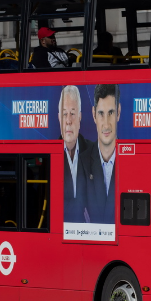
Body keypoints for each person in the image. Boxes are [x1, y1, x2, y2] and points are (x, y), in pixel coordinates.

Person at [79, 84, 120, 224]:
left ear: (119, 112)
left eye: (111, 113)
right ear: (93, 114)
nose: (106, 124)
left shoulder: (133, 161)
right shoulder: (82, 162)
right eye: (101, 114)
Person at [59, 85, 92, 223]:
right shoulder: (51, 154)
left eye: (72, 113)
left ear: (79, 117)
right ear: (59, 118)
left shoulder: (93, 151)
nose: (68, 120)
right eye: (64, 114)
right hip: (59, 229)